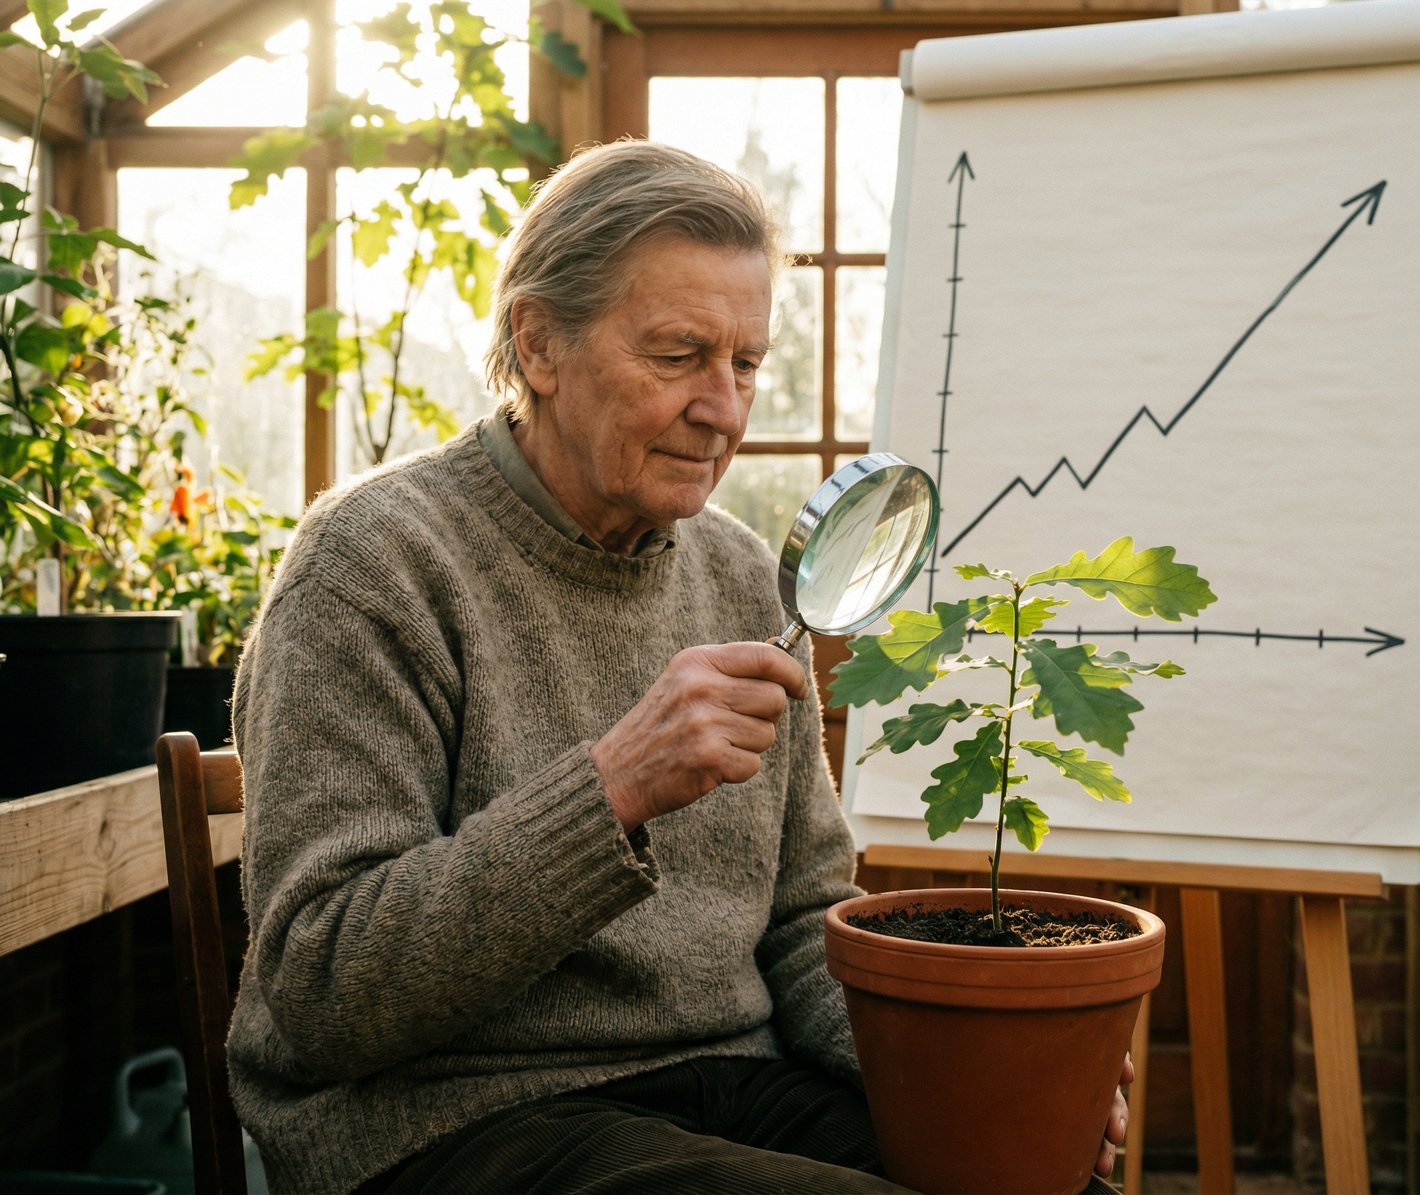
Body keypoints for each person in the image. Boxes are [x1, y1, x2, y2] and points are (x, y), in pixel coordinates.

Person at [228, 139, 1130, 1194]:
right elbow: (327, 988)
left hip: (724, 1084)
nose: (726, 410)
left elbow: (801, 924)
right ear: (539, 344)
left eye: (743, 363)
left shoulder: (747, 575)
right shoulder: (374, 563)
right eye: (677, 356)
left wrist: (961, 1068)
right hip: (447, 1118)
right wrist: (612, 789)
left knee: (1039, 1178)